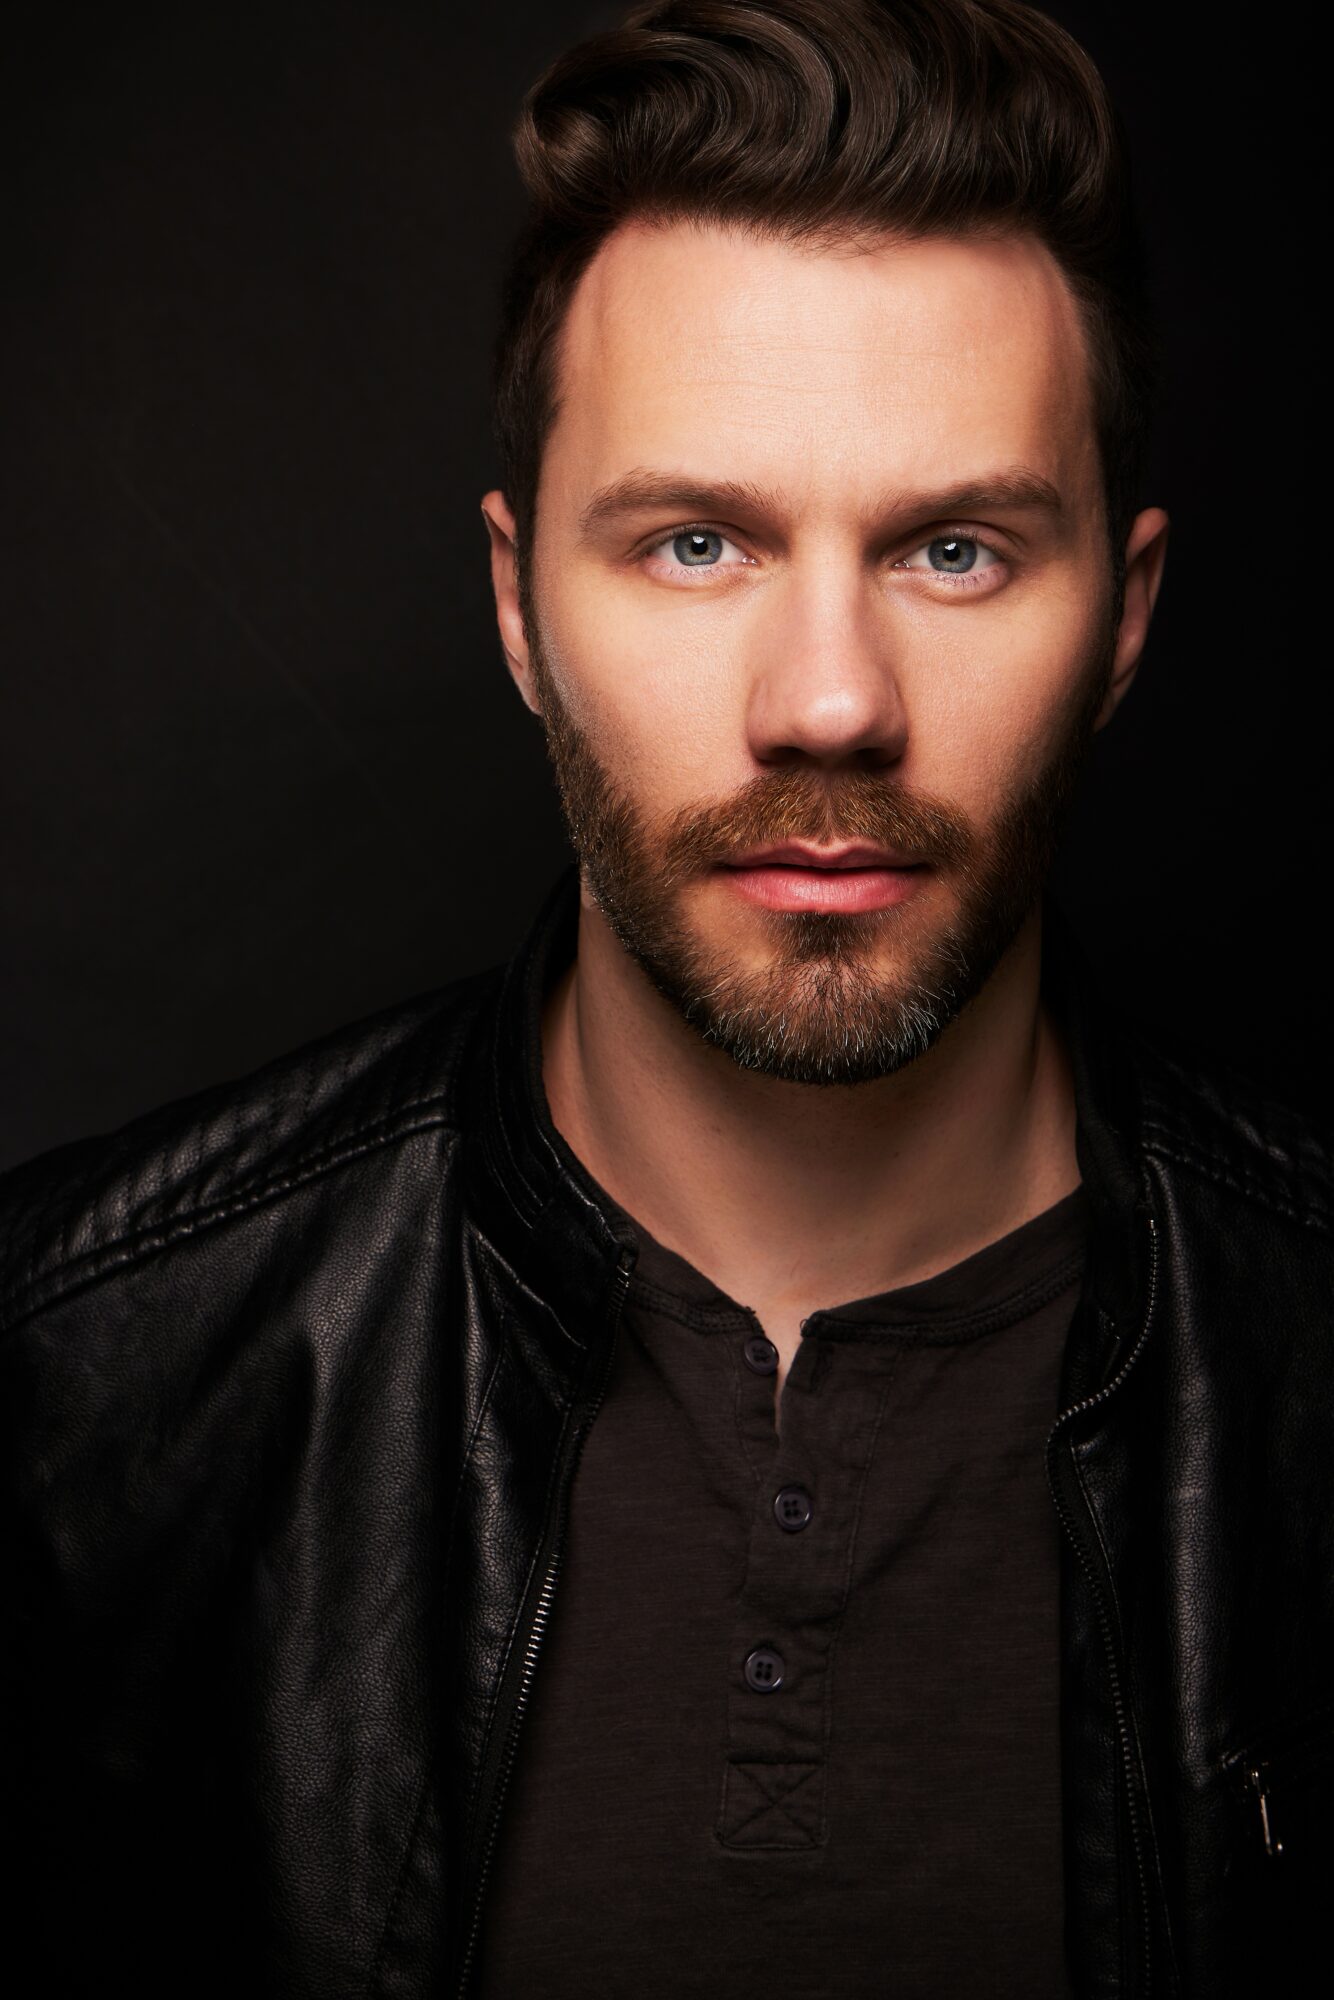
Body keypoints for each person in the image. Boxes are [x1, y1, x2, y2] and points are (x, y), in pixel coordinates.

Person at [2, 2, 1329, 1995]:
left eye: (955, 551)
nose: (829, 701)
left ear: (1121, 621)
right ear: (519, 604)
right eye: (696, 543)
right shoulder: (81, 1384)